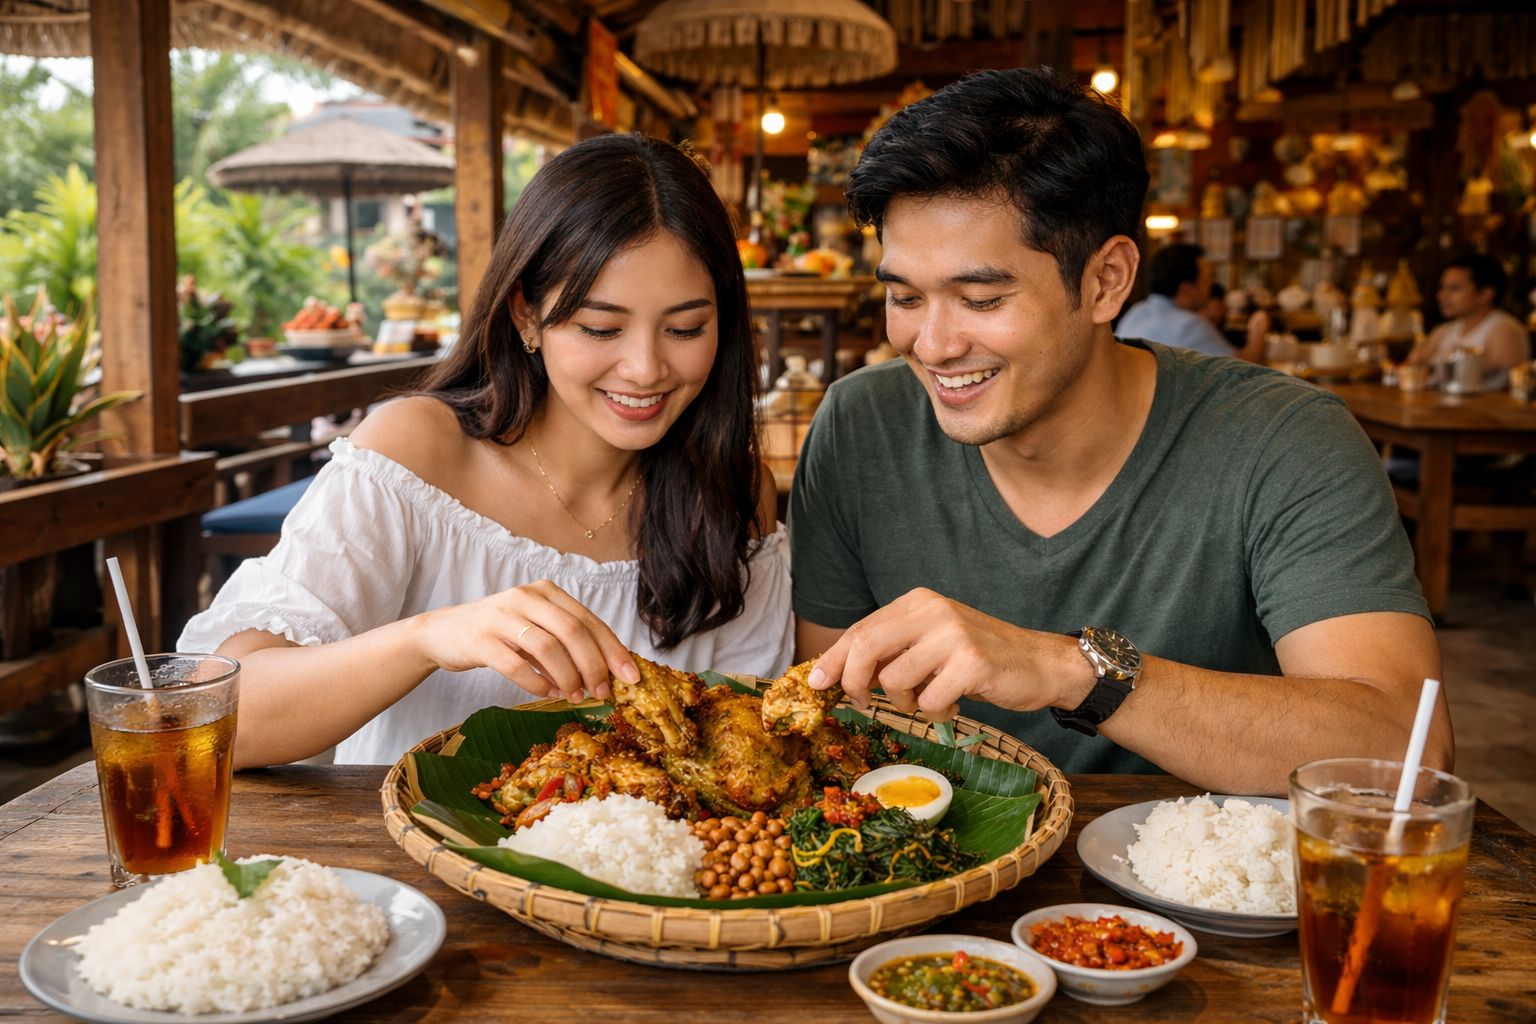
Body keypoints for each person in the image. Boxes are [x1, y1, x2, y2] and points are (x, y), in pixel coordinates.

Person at [789, 68, 1450, 796]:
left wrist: (1071, 670)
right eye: (905, 298)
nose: (933, 346)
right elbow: (829, 713)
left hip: (1198, 865)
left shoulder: (1284, 439)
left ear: (1107, 280)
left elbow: (1404, 756)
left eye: (981, 299)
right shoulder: (860, 427)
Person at [179, 134, 792, 768]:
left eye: (685, 328)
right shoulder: (415, 452)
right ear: (526, 315)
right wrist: (427, 638)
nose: (644, 367)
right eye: (600, 328)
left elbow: (750, 742)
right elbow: (213, 719)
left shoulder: (732, 492)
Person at [1406, 254, 1530, 390]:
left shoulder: (1504, 329)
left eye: (1454, 288)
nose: (1441, 295)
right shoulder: (1444, 330)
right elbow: (1411, 366)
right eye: (1442, 288)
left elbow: (1506, 381)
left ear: (1485, 294)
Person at [1117, 243, 1238, 358]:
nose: (1210, 286)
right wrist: (1252, 330)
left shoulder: (1136, 312)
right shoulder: (1190, 325)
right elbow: (1240, 367)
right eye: (1206, 280)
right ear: (1186, 288)